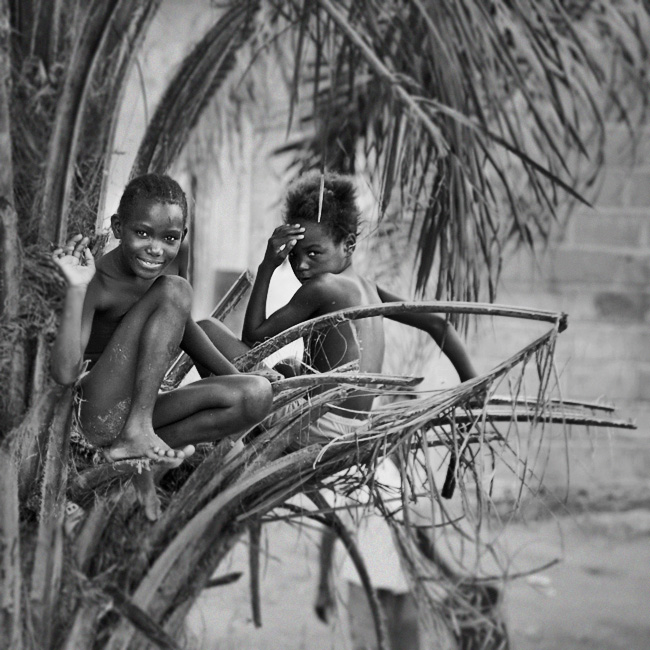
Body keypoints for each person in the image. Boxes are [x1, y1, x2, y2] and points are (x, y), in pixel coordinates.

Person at [241, 170, 479, 648]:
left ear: (347, 245)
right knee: (279, 371)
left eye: (315, 252)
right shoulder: (367, 288)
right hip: (356, 426)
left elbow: (252, 338)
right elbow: (438, 326)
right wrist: (470, 381)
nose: (304, 265)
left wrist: (268, 268)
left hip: (321, 427)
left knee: (216, 339)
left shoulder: (323, 289)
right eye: (294, 255)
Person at [51, 173, 273, 464]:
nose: (156, 249)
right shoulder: (98, 281)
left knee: (255, 395)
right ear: (119, 227)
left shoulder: (174, 258)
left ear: (182, 234)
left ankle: (138, 449)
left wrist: (235, 374)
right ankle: (136, 433)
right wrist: (76, 289)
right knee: (177, 288)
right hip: (96, 413)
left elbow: (181, 323)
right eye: (142, 233)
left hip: (145, 405)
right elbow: (65, 375)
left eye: (169, 237)